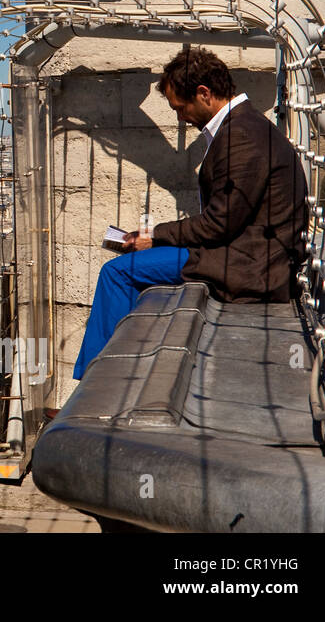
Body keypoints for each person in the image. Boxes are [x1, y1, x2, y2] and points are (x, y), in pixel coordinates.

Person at [72, 46, 308, 380]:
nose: (180, 117)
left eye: (180, 107)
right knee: (130, 264)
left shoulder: (241, 135)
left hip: (249, 264)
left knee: (117, 273)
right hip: (248, 253)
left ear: (204, 93)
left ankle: (98, 381)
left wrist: (154, 237)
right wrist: (155, 238)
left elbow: (220, 223)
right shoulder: (249, 126)